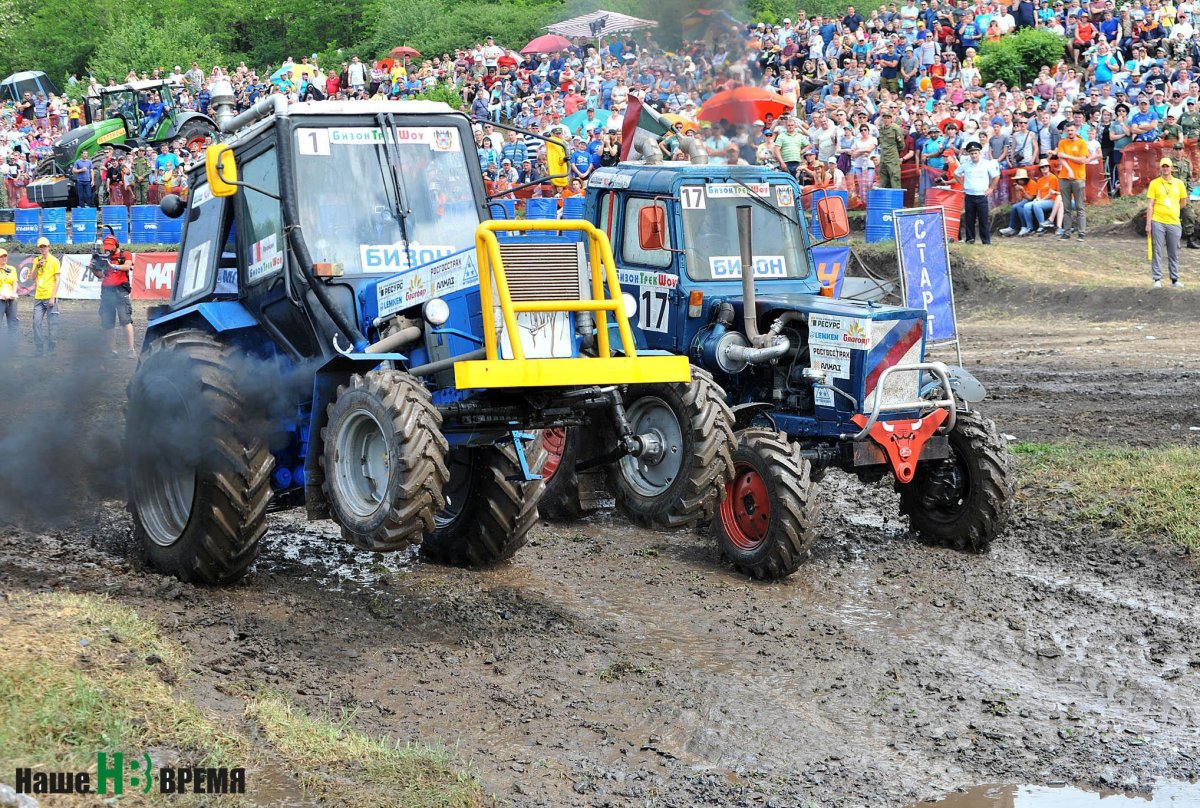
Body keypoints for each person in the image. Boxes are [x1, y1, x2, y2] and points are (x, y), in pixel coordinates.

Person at [1146, 157, 1187, 288]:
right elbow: (1150, 204)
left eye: (1167, 166)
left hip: (1174, 222)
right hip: (1158, 220)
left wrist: (1173, 210)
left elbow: (1183, 202)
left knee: (1173, 251)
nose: (1165, 169)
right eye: (1163, 166)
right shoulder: (1154, 183)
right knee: (1157, 249)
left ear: (1171, 168)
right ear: (1160, 168)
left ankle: (1174, 279)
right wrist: (1148, 223)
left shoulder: (1179, 183)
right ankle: (1157, 278)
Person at [92, 236, 136, 356]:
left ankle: (131, 350)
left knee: (125, 320)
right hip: (107, 292)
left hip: (121, 291)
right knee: (108, 322)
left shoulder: (125, 254)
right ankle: (113, 351)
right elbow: (100, 275)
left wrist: (113, 266)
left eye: (110, 248)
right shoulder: (105, 257)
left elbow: (127, 266)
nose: (108, 251)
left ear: (116, 245)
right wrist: (93, 269)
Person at [954, 141, 999, 244]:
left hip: (981, 195)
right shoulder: (966, 165)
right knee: (969, 219)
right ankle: (970, 239)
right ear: (969, 154)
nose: (974, 155)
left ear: (979, 153)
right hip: (969, 195)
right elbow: (956, 174)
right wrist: (963, 184)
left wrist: (991, 188)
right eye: (972, 153)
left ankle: (986, 241)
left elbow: (996, 176)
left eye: (975, 153)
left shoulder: (986, 164)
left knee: (983, 220)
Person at [1056, 122, 1088, 241]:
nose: (1070, 132)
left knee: (1080, 206)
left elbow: (1082, 159)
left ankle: (1081, 232)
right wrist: (1069, 169)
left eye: (1072, 130)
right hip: (1064, 176)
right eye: (1068, 130)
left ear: (1076, 131)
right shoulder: (1062, 142)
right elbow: (1060, 157)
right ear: (1065, 131)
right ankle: (1067, 232)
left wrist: (1068, 156)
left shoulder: (1081, 142)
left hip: (1078, 177)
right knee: (1066, 207)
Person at [30, 237, 61, 356]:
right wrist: (37, 266)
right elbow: (32, 278)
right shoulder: (36, 261)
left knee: (52, 324)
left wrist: (53, 297)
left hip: (49, 296)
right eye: (41, 247)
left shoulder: (54, 261)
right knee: (36, 323)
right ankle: (39, 349)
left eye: (45, 246)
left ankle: (51, 349)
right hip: (38, 297)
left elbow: (57, 280)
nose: (43, 248)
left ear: (49, 247)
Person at [1168, 140, 1197, 249]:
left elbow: (1189, 179)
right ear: (1173, 150)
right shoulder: (1168, 163)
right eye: (1176, 149)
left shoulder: (1186, 163)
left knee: (1189, 215)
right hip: (1171, 194)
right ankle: (1173, 241)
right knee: (1173, 217)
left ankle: (1190, 239)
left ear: (1183, 150)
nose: (1178, 151)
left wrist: (1188, 190)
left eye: (1180, 149)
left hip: (1183, 194)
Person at [999, 168, 1040, 236]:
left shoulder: (1032, 183)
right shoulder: (1020, 185)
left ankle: (1024, 226)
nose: (1019, 181)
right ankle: (1012, 227)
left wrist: (1023, 190)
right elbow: (1019, 200)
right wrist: (1017, 191)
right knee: (1015, 206)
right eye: (1018, 179)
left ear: (1025, 179)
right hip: (1024, 201)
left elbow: (1031, 198)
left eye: (1021, 179)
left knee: (1018, 206)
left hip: (1033, 201)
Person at [876, 108, 905, 188]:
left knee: (895, 179)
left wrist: (894, 153)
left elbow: (901, 145)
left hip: (892, 158)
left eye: (888, 118)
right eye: (885, 118)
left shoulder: (895, 128)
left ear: (891, 119)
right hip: (883, 157)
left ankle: (895, 199)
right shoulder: (881, 128)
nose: (886, 120)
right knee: (884, 180)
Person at [0, 248, 17, 342]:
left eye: (5, 256)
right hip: (0, 299)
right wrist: (2, 294)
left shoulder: (11, 269)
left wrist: (13, 293)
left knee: (13, 322)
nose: (3, 258)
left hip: (11, 299)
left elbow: (15, 282)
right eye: (1, 256)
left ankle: (12, 346)